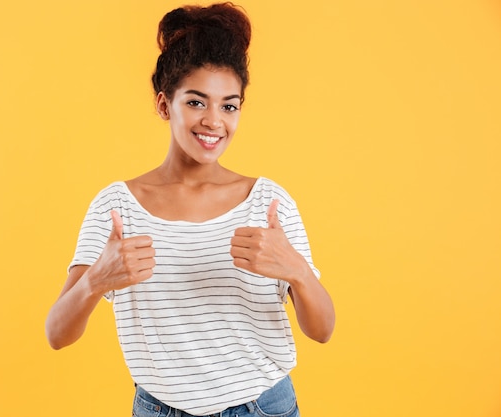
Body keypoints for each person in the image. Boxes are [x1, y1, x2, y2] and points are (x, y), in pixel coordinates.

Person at [45, 3, 335, 416]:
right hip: (158, 407)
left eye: (228, 105)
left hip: (261, 406)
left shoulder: (267, 202)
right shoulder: (116, 206)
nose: (214, 121)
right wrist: (96, 280)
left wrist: (296, 270)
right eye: (197, 102)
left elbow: (322, 330)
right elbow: (57, 334)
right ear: (165, 105)